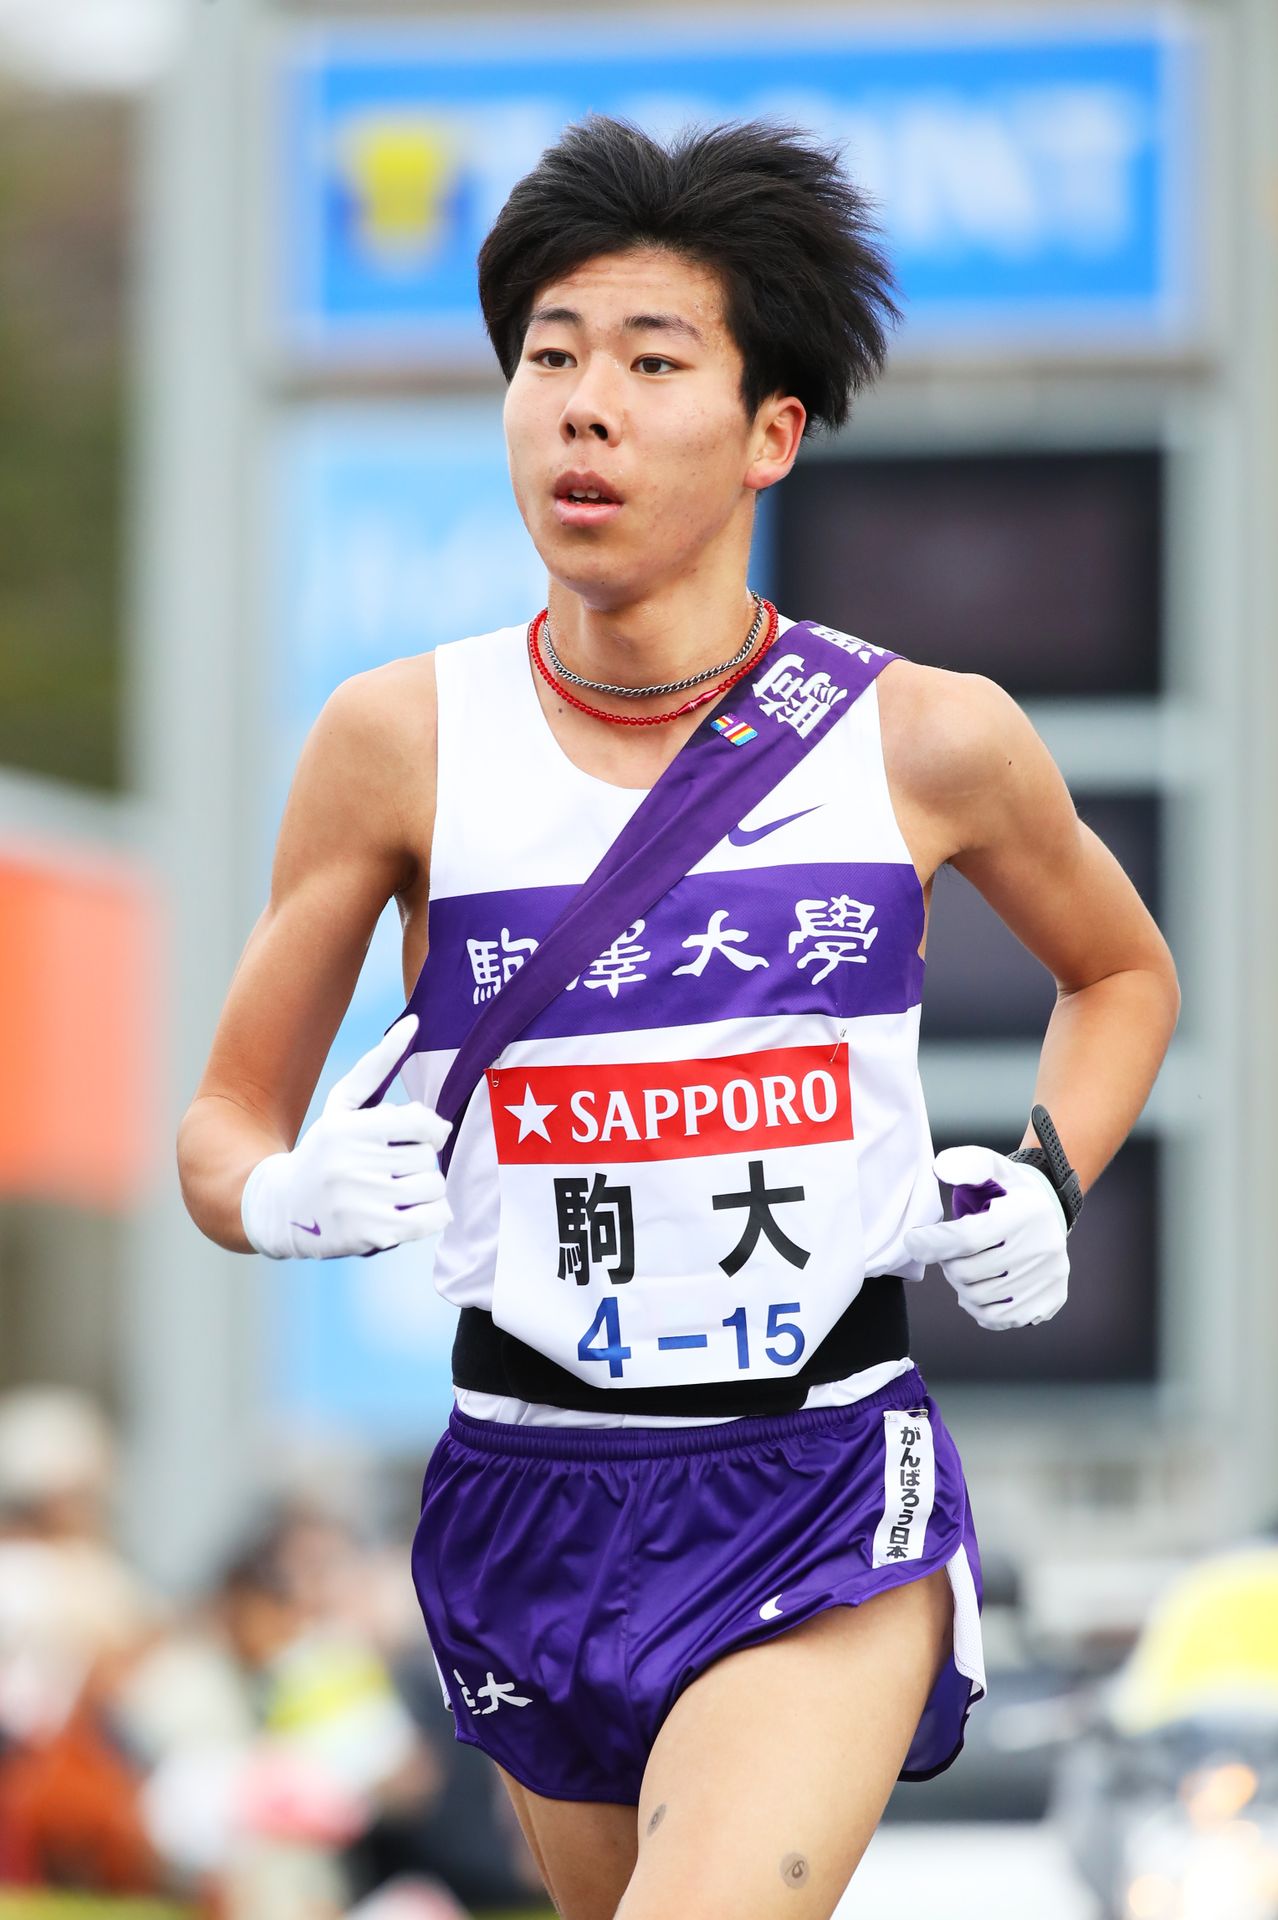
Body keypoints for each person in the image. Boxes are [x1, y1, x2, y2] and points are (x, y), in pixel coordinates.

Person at [179, 117, 1180, 1920]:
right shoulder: (395, 741)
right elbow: (220, 1128)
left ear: (770, 432)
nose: (585, 408)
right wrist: (284, 1194)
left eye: (651, 364)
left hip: (816, 1476)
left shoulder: (925, 735)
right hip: (528, 1484)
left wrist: (1046, 1169)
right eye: (549, 358)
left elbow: (1122, 976)